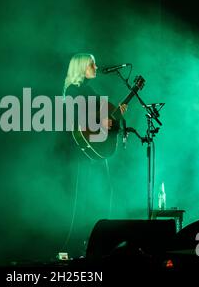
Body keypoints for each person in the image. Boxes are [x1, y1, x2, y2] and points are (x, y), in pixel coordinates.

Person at [59, 53, 127, 258]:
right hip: (79, 154)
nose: (96, 67)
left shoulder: (90, 91)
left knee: (101, 195)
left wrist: (116, 117)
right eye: (91, 65)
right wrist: (101, 122)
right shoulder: (73, 92)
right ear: (81, 68)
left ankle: (94, 245)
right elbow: (78, 121)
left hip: (94, 152)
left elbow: (105, 120)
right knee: (82, 200)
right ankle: (78, 246)